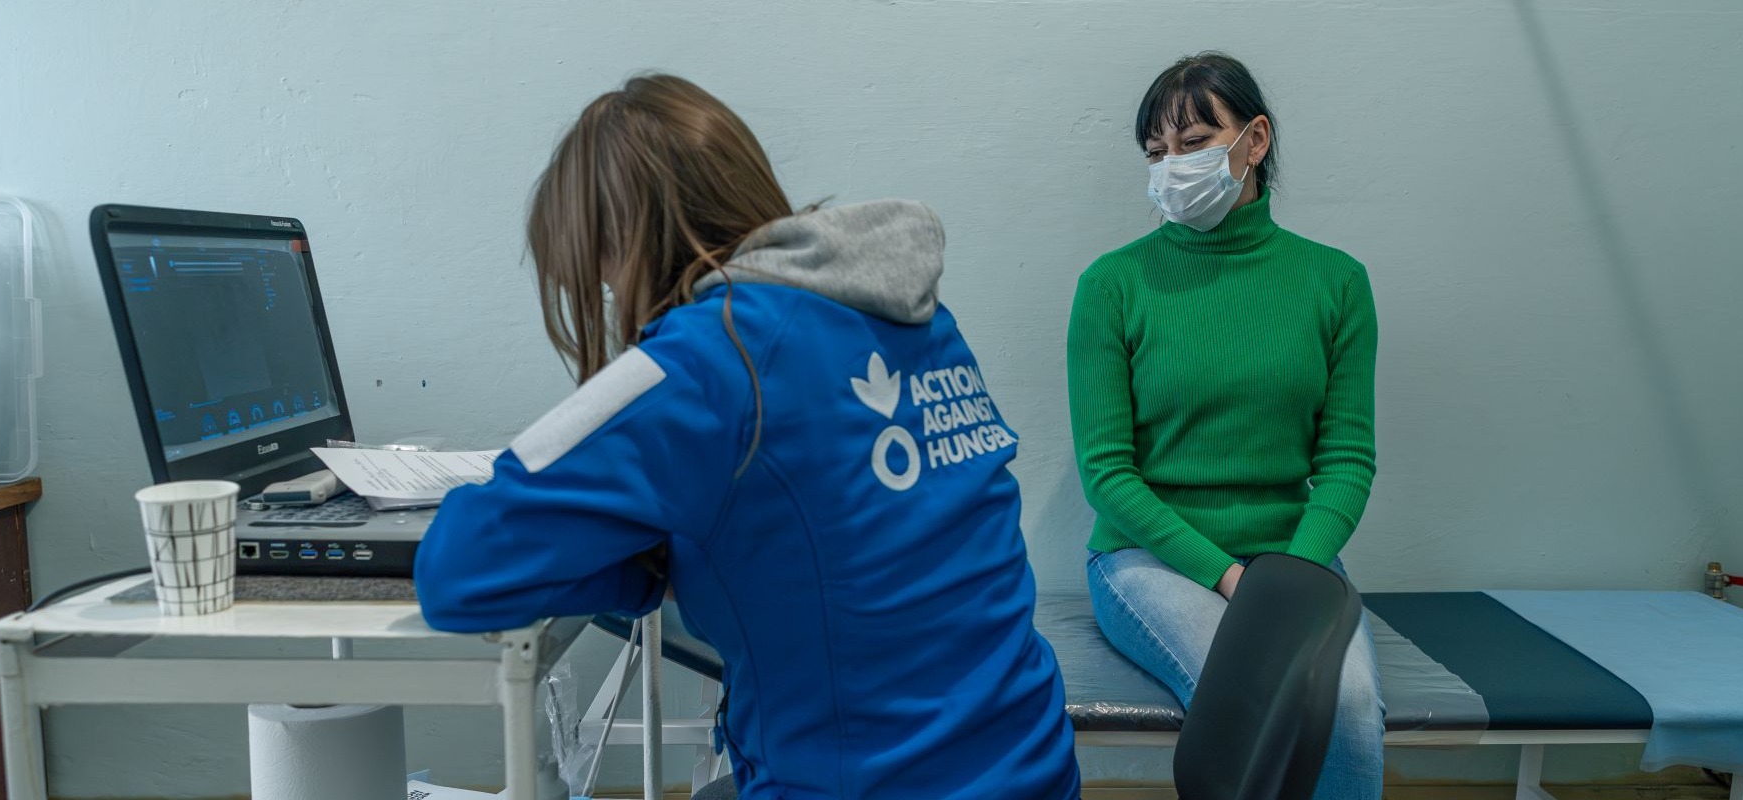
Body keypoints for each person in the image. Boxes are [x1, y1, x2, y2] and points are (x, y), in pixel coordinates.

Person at [414, 74, 1080, 800]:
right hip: (1031, 763)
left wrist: (642, 573)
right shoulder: (916, 321)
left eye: (598, 271)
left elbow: (457, 572)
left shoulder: (707, 359)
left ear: (622, 246)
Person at [1068, 52, 1385, 798]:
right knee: (1258, 694)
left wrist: (1290, 577)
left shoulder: (1335, 282)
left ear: (1256, 141)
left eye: (1194, 142)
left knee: (1343, 702)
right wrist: (1229, 576)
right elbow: (1107, 472)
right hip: (1148, 557)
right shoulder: (1112, 286)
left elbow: (1346, 459)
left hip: (1290, 563)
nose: (1172, 166)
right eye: (1157, 152)